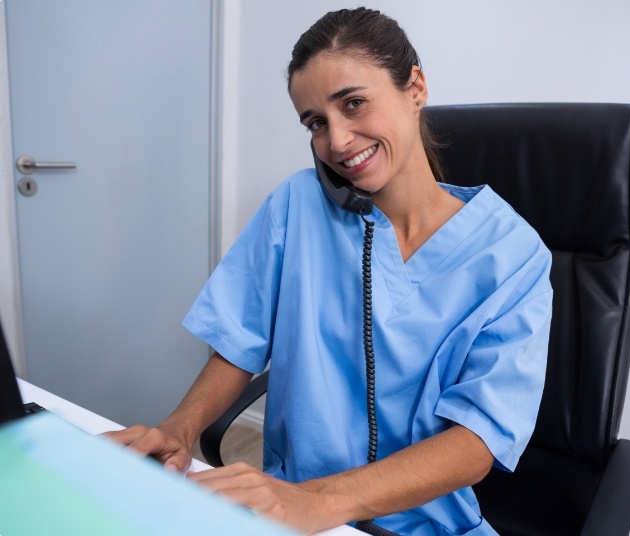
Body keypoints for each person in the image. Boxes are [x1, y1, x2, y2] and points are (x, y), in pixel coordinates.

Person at [107, 8, 553, 535]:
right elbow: (237, 342)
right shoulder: (295, 204)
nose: (337, 142)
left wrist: (318, 502)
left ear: (415, 87)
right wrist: (180, 430)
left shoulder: (512, 255)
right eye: (316, 122)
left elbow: (478, 440)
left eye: (354, 104)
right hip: (289, 510)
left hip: (424, 524)